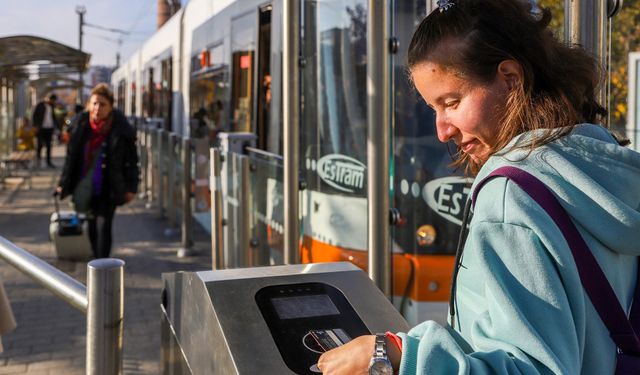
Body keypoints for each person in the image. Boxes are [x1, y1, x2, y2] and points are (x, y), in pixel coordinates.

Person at [317, 0, 640, 374]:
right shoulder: (602, 161)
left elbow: (530, 368)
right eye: (433, 109)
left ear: (510, 79)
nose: (441, 130)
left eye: (451, 103)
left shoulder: (511, 195)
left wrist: (395, 358)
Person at [56, 83, 139, 259]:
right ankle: (96, 259)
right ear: (89, 105)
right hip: (86, 186)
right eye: (94, 103)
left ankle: (103, 265)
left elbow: (132, 161)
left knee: (104, 225)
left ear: (110, 107)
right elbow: (71, 159)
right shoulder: (81, 125)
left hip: (109, 187)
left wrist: (132, 187)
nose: (97, 108)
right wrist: (62, 183)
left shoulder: (121, 129)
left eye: (102, 104)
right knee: (92, 225)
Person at [32, 93, 61, 168]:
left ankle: (48, 162)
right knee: (40, 145)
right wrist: (35, 126)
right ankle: (38, 161)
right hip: (41, 128)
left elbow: (53, 117)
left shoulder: (52, 106)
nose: (52, 102)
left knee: (49, 146)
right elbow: (35, 115)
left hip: (49, 128)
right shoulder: (40, 105)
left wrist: (57, 127)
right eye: (52, 100)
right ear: (48, 98)